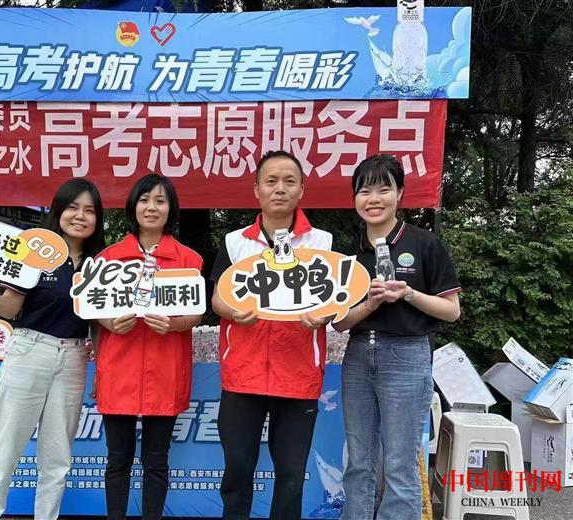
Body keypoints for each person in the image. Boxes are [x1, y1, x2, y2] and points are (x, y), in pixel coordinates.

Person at [0, 179, 105, 520]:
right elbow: (10, 308)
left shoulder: (99, 264)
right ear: (58, 211)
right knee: (3, 453)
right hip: (29, 351)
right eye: (73, 207)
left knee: (58, 461)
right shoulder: (35, 250)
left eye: (89, 210)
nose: (80, 216)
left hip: (74, 359)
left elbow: (97, 322)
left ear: (98, 219)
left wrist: (102, 368)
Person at [333, 154, 461, 520]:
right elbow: (339, 324)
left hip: (407, 356)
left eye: (383, 189)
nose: (373, 199)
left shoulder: (424, 244)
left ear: (400, 193)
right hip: (359, 355)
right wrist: (370, 304)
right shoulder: (348, 254)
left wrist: (408, 294)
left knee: (400, 465)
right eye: (364, 191)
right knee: (359, 462)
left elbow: (451, 310)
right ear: (355, 198)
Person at [210, 150, 333, 520]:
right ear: (257, 190)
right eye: (271, 181)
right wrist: (232, 311)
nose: (280, 189)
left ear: (301, 190)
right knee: (237, 470)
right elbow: (217, 297)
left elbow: (336, 299)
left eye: (289, 181)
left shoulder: (322, 242)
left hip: (299, 373)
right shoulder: (235, 242)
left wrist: (324, 314)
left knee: (291, 476)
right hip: (242, 372)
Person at [94, 174, 203, 520]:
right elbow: (92, 309)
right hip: (119, 368)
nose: (151, 207)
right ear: (133, 206)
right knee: (118, 459)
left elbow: (197, 312)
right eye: (144, 200)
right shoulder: (108, 258)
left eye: (160, 200)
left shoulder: (189, 259)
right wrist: (109, 322)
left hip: (165, 369)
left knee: (156, 460)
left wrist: (175, 324)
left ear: (171, 209)